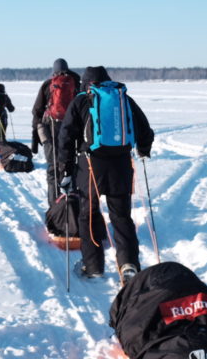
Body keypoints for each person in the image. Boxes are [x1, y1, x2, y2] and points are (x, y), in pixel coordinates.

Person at [57, 66, 154, 281]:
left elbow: (65, 137)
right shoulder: (123, 98)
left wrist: (66, 169)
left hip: (90, 166)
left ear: (86, 83)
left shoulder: (82, 100)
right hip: (121, 165)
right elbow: (145, 129)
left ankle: (93, 266)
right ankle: (129, 265)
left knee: (88, 216)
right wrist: (143, 150)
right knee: (121, 216)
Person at [31, 58, 82, 207]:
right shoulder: (76, 84)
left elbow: (37, 111)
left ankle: (54, 208)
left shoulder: (48, 85)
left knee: (53, 169)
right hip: (72, 131)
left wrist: (36, 139)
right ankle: (72, 206)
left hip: (51, 129)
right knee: (71, 167)